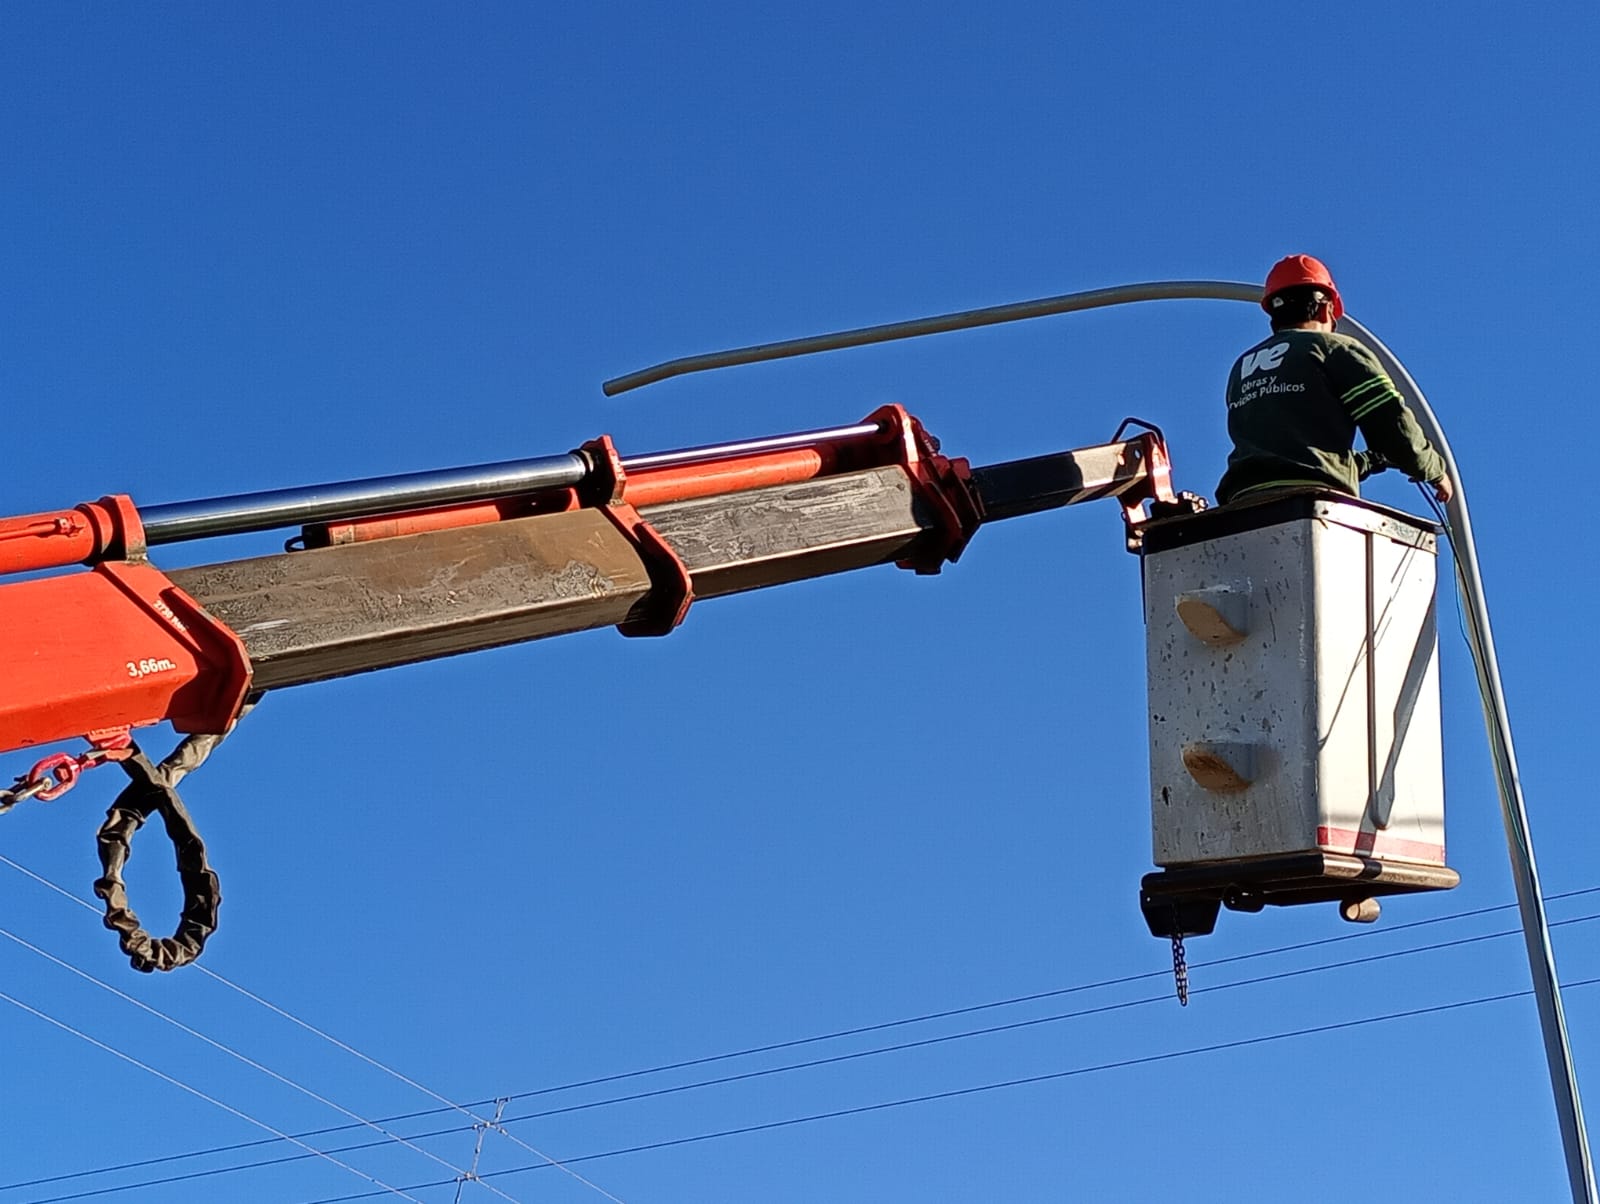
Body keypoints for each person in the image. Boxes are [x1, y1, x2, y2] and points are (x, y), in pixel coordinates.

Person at [1216, 255, 1453, 507]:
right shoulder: (1334, 349)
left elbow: (1287, 448)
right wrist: (1433, 470)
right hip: (1311, 502)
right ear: (1326, 308)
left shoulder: (1243, 366)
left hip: (1241, 504)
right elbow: (1391, 422)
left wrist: (1370, 461)